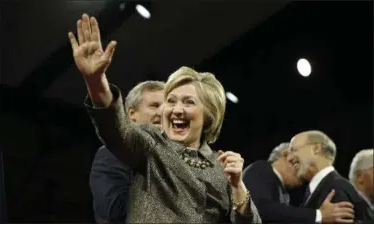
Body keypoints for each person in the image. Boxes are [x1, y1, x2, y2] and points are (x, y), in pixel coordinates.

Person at [68, 14, 261, 223]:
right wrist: (96, 81)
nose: (175, 110)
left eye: (188, 102)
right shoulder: (150, 146)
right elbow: (116, 128)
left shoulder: (222, 167)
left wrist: (237, 186)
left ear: (209, 116)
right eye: (171, 101)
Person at [89, 81, 164, 223]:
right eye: (154, 105)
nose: (162, 112)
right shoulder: (111, 153)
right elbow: (115, 211)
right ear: (132, 114)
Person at [243, 142, 355, 223]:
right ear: (287, 155)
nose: (302, 175)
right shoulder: (260, 168)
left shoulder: (283, 192)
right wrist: (319, 215)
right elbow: (261, 209)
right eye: (298, 165)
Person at [288, 130, 373, 223]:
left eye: (293, 150)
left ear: (316, 149)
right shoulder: (323, 188)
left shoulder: (336, 189)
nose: (289, 158)